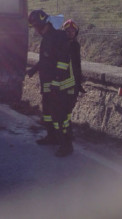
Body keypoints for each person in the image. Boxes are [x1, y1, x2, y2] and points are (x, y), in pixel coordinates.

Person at [26, 10, 76, 157]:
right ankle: (52, 137)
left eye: (35, 26)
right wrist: (34, 69)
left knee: (60, 117)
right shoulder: (47, 38)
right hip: (49, 84)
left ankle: (67, 146)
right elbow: (47, 59)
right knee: (48, 114)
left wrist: (56, 82)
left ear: (42, 24)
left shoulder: (59, 37)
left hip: (61, 85)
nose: (35, 30)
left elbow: (63, 61)